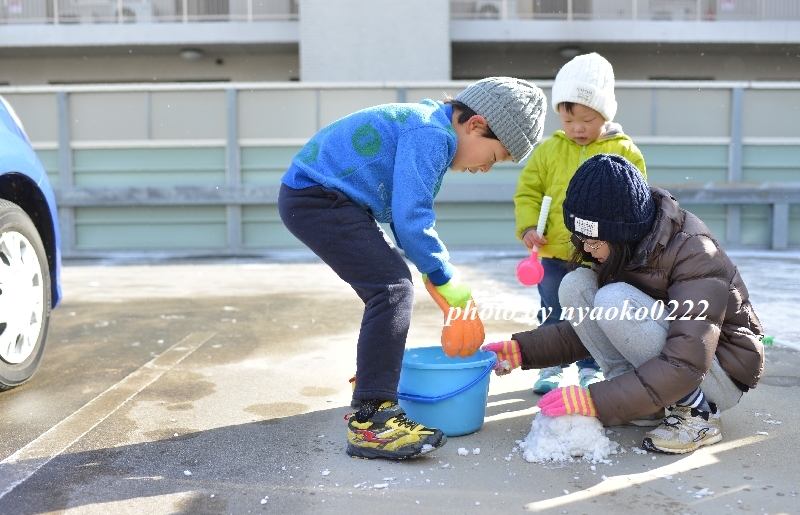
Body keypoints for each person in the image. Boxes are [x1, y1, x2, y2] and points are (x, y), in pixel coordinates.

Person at [279, 78, 547, 460]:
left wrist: (431, 268)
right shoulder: (432, 134)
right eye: (495, 155)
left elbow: (407, 224)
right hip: (317, 197)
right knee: (391, 289)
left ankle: (377, 378)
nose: (486, 168)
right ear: (475, 125)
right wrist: (443, 274)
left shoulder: (429, 126)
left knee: (390, 284)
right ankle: (373, 420)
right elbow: (410, 220)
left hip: (323, 197)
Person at [485, 154, 764, 454]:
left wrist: (597, 400)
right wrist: (523, 351)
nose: (588, 251)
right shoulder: (623, 247)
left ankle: (697, 414)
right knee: (576, 285)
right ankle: (644, 406)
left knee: (612, 298)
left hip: (715, 372)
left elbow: (687, 359)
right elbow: (595, 330)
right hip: (672, 363)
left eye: (594, 242)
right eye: (580, 240)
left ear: (622, 234)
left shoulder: (694, 252)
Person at [514, 52, 647, 395]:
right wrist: (529, 227)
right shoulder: (548, 151)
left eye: (587, 119)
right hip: (554, 250)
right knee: (552, 310)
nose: (576, 128)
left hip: (600, 256)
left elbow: (638, 200)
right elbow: (528, 192)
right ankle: (551, 366)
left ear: (605, 114)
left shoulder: (624, 150)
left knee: (593, 313)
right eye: (568, 118)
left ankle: (593, 367)